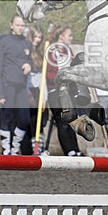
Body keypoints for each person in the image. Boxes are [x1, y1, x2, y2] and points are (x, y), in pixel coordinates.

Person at [43, 25, 84, 157]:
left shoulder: (68, 51)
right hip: (55, 92)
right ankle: (69, 150)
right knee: (62, 121)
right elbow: (48, 74)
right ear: (61, 36)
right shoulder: (51, 51)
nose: (71, 38)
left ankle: (75, 149)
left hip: (69, 91)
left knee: (72, 120)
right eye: (69, 35)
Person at [0, 15, 32, 155]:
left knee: (24, 119)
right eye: (18, 25)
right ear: (11, 25)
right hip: (7, 84)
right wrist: (0, 93)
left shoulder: (27, 43)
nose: (20, 28)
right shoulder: (4, 42)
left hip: (21, 86)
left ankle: (15, 147)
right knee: (7, 117)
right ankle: (6, 148)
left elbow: (30, 61)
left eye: (22, 25)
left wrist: (29, 65)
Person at [27, 25, 47, 150]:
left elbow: (42, 75)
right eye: (35, 37)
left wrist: (44, 97)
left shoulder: (41, 52)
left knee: (38, 119)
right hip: (26, 88)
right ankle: (27, 146)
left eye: (40, 37)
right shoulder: (24, 50)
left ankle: (38, 146)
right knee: (27, 119)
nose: (38, 39)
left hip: (38, 88)